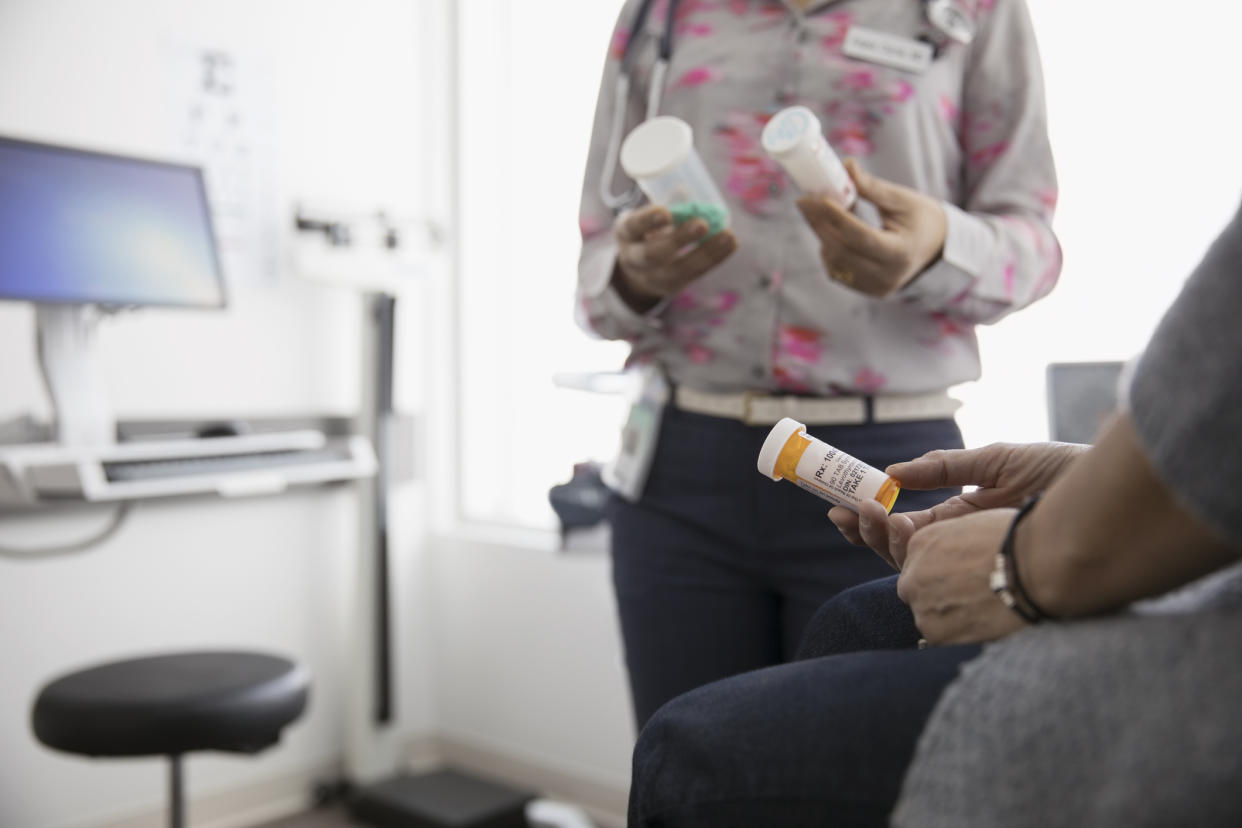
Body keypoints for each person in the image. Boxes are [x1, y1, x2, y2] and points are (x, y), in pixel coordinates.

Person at [626, 196, 1242, 827]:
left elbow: (1036, 250)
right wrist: (1085, 476)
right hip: (678, 438)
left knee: (686, 757)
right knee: (855, 621)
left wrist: (1023, 563)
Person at [575, 0, 1062, 726]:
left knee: (855, 778)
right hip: (680, 473)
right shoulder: (660, 12)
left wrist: (936, 247)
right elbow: (596, 263)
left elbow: (1034, 246)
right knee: (682, 772)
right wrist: (634, 275)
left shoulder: (975, 11)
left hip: (890, 473)